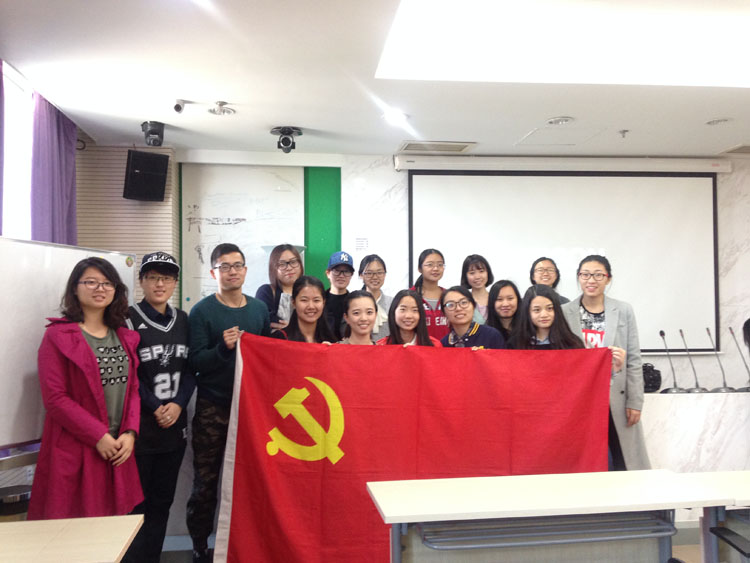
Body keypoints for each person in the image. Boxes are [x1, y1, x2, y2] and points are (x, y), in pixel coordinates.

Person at [28, 257, 142, 520]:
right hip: (77, 446)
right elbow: (55, 399)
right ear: (75, 289)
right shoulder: (57, 337)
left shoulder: (125, 337)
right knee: (75, 530)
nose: (100, 289)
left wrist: (130, 432)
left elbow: (132, 389)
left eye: (107, 283)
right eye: (90, 282)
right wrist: (98, 436)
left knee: (114, 529)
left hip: (118, 447)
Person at [186, 243, 271, 563]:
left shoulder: (259, 310)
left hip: (250, 408)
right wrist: (223, 348)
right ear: (214, 273)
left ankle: (248, 542)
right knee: (206, 481)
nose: (232, 271)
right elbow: (196, 362)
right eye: (225, 267)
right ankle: (199, 545)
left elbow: (268, 356)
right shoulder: (202, 312)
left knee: (251, 479)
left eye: (237, 266)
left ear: (246, 270)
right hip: (213, 406)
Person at [122, 252, 196, 563]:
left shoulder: (183, 320)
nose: (159, 284)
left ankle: (152, 558)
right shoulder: (127, 318)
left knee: (162, 503)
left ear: (175, 283)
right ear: (142, 281)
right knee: (135, 506)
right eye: (153, 277)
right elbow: (129, 374)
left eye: (166, 278)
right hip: (139, 430)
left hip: (173, 429)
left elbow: (191, 369)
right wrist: (156, 406)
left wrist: (178, 404)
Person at [562, 254, 650, 471]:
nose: (591, 280)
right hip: (581, 399)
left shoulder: (623, 310)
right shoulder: (565, 312)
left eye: (598, 275)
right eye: (585, 275)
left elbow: (634, 359)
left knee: (622, 458)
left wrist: (635, 402)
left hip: (616, 396)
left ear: (608, 278)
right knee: (585, 458)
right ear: (578, 277)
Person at [508, 285, 583, 350]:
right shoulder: (515, 344)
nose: (544, 315)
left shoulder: (572, 344)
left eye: (549, 308)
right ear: (527, 312)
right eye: (537, 310)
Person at [270, 276, 336, 343]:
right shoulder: (279, 339)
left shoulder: (330, 341)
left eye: (316, 300)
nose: (311, 306)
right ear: (293, 302)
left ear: (323, 303)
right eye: (304, 300)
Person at [255, 243, 304, 331]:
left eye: (293, 262)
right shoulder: (266, 291)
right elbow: (263, 320)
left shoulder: (309, 291)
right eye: (282, 264)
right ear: (273, 268)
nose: (289, 268)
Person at [440, 286, 505, 349]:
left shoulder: (491, 335)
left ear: (473, 306)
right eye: (450, 305)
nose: (458, 308)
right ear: (444, 312)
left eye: (463, 302)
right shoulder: (444, 343)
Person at [411, 248, 449, 340]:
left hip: (446, 347)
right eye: (430, 265)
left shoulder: (449, 296)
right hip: (418, 347)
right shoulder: (410, 296)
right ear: (420, 269)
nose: (435, 268)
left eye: (440, 265)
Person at [358, 254, 392, 340]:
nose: (375, 277)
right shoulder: (354, 302)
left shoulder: (393, 303)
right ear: (361, 275)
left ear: (385, 274)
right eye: (369, 273)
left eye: (379, 272)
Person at [323, 251, 355, 340]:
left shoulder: (354, 303)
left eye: (346, 271)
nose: (341, 276)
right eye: (337, 271)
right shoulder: (319, 301)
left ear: (351, 275)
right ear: (328, 273)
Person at [460, 254, 494, 324]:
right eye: (472, 273)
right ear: (465, 276)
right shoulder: (462, 302)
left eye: (481, 271)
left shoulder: (496, 299)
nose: (477, 277)